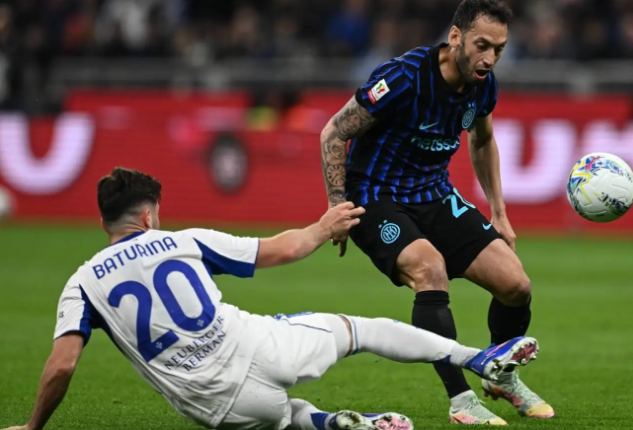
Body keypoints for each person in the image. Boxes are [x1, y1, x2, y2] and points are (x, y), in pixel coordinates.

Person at [2, 167, 540, 430]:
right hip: (261, 344)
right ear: (148, 216)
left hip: (214, 406)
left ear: (105, 222)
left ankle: (329, 423)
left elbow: (62, 365)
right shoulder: (183, 241)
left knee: (284, 417)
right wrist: (326, 225)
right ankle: (478, 358)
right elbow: (279, 250)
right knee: (362, 331)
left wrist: (32, 427)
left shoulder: (82, 284)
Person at [319, 0, 553, 425]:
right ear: (455, 36)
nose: (489, 59)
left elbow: (482, 140)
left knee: (516, 285)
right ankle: (461, 400)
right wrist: (338, 206)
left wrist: (499, 212)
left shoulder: (483, 84)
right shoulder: (403, 78)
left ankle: (501, 376)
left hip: (433, 193)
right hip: (376, 196)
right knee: (430, 270)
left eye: (499, 49)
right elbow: (334, 133)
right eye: (482, 45)